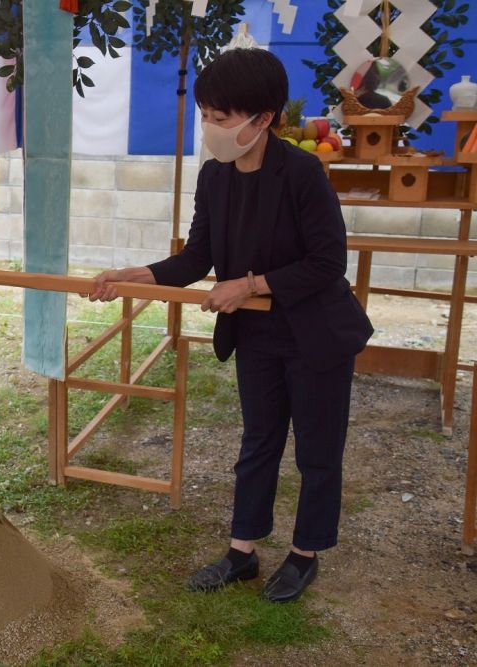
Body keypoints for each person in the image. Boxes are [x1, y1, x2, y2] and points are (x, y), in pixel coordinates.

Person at [89, 48, 372, 603]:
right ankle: (242, 551)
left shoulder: (302, 173)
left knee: (317, 449)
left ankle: (304, 554)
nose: (212, 129)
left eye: (223, 118)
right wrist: (135, 274)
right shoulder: (215, 177)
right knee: (259, 439)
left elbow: (326, 262)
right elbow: (197, 258)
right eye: (207, 116)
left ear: (262, 118)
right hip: (258, 335)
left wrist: (251, 284)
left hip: (316, 334)